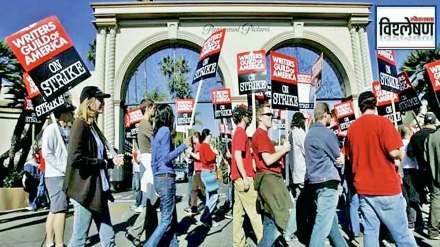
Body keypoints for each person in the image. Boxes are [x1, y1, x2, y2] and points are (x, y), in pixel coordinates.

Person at [345, 91, 417, 247]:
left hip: (364, 190)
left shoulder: (351, 130)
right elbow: (393, 152)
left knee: (371, 233)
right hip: (387, 188)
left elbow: (349, 158)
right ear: (375, 103)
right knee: (402, 235)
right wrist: (401, 153)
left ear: (360, 107)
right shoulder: (383, 123)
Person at [64, 86, 124, 247]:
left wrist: (112, 162)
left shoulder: (93, 127)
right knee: (79, 240)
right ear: (89, 102)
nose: (103, 102)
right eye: (100, 99)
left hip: (98, 190)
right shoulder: (79, 125)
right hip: (85, 192)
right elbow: (75, 158)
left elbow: (98, 159)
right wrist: (102, 162)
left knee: (108, 237)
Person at [144, 104, 189, 247]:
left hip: (159, 177)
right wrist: (183, 146)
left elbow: (153, 161)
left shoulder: (156, 133)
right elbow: (166, 158)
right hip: (166, 178)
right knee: (166, 220)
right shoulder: (165, 131)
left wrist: (156, 176)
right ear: (169, 116)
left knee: (170, 220)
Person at [304, 102, 348, 247]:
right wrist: (342, 159)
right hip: (328, 183)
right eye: (330, 114)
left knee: (331, 223)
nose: (331, 117)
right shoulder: (327, 133)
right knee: (322, 226)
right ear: (325, 114)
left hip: (315, 182)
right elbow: (338, 158)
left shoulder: (309, 134)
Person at [251, 105, 293, 247]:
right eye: (268, 114)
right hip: (270, 181)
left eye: (271, 114)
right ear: (260, 117)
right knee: (282, 215)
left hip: (269, 180)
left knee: (270, 220)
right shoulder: (261, 135)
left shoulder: (262, 135)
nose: (271, 117)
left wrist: (280, 149)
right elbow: (268, 160)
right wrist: (284, 150)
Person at [42, 103, 75, 247]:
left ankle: (50, 242)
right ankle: (60, 243)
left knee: (54, 210)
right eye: (69, 112)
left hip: (63, 174)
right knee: (61, 210)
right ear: (62, 114)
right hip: (55, 175)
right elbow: (47, 153)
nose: (72, 115)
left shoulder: (66, 130)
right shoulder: (51, 130)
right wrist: (62, 168)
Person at [126, 98, 158, 247]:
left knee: (151, 201)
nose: (154, 111)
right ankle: (135, 231)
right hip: (148, 162)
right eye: (153, 108)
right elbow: (155, 142)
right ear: (148, 108)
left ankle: (151, 235)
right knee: (151, 200)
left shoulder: (143, 124)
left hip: (146, 161)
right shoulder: (145, 124)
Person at [230, 104, 263, 247]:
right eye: (248, 115)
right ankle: (264, 242)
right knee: (254, 213)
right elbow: (237, 155)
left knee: (238, 214)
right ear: (243, 116)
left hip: (237, 178)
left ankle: (239, 244)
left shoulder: (237, 133)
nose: (249, 118)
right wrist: (244, 176)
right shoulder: (240, 133)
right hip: (244, 178)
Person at [400, 126, 423, 232]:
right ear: (409, 133)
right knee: (414, 197)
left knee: (407, 197)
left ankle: (412, 221)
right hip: (413, 171)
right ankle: (417, 221)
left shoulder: (398, 144)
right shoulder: (411, 143)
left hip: (403, 172)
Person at [198, 128, 220, 227]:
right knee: (214, 196)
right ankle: (205, 216)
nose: (211, 137)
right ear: (208, 136)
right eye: (210, 135)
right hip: (209, 172)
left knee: (209, 197)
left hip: (205, 172)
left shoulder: (202, 146)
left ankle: (208, 220)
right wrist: (214, 152)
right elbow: (209, 158)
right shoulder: (206, 146)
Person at [424, 122, 440, 240]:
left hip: (434, 174)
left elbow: (425, 157)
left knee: (436, 202)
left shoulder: (431, 137)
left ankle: (433, 230)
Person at [186, 131, 205, 215]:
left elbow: (198, 157)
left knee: (201, 190)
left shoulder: (198, 145)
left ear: (195, 137)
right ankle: (194, 209)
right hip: (197, 171)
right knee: (194, 190)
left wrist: (190, 152)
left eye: (193, 137)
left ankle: (210, 203)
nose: (192, 139)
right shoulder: (199, 145)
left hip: (200, 171)